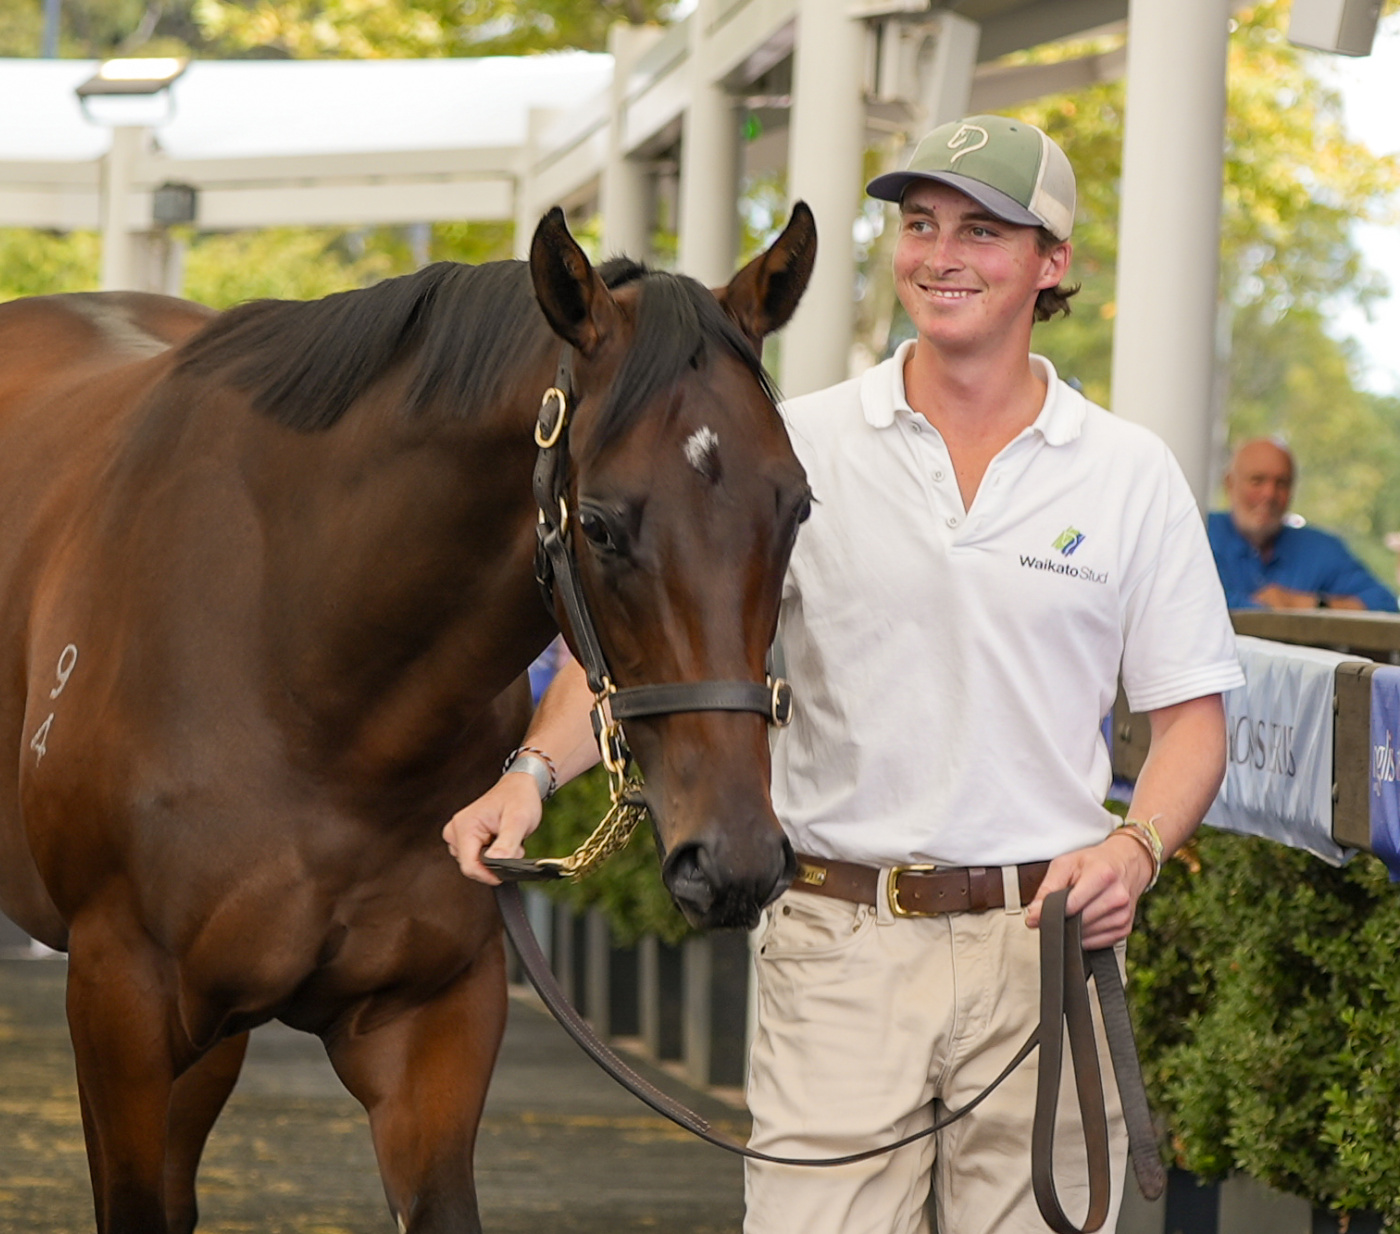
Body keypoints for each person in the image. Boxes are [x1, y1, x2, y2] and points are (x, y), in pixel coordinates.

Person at [445, 115, 1240, 1233]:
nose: (941, 255)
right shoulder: (789, 446)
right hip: (839, 943)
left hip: (1041, 951)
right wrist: (528, 776)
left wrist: (1136, 847)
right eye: (920, 224)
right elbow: (666, 643)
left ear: (1052, 262)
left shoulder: (1128, 473)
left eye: (982, 231)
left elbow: (1192, 721)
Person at [1207, 437, 1397, 612]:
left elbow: (1385, 607)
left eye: (1281, 483)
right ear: (1229, 483)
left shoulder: (1320, 549)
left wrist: (1313, 604)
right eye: (1257, 481)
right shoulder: (1203, 533)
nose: (1269, 494)